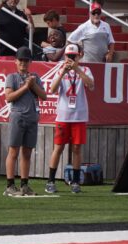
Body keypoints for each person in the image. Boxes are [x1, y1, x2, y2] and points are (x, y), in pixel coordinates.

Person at [45, 44, 94, 194]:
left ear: (79, 56)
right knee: (58, 147)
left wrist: (77, 69)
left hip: (79, 115)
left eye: (74, 56)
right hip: (64, 115)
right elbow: (52, 89)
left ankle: (75, 181)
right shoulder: (60, 70)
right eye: (68, 56)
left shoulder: (85, 70)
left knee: (77, 148)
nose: (71, 59)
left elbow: (91, 85)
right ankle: (51, 181)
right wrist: (62, 73)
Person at [3, 47, 47, 196]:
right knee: (13, 151)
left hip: (32, 117)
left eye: (26, 60)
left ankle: (24, 185)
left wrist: (33, 85)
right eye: (21, 60)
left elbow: (44, 96)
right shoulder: (12, 77)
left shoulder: (35, 77)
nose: (23, 63)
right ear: (15, 61)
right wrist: (26, 87)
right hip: (17, 116)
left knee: (27, 152)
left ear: (30, 62)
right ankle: (9, 185)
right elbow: (8, 97)